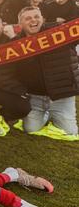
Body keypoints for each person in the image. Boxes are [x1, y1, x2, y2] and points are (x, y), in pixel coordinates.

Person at [14, 7, 79, 136]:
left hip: (62, 96)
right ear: (20, 24)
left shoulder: (60, 31)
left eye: (36, 17)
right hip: (35, 97)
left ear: (42, 19)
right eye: (28, 18)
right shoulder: (15, 44)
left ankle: (54, 115)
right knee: (30, 129)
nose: (33, 20)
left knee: (70, 132)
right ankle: (48, 116)